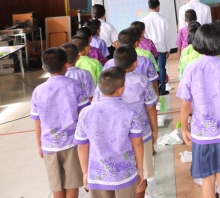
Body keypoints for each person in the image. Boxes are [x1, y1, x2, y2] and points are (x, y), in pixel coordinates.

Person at [177, 24, 220, 198]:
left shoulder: (191, 68)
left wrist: (184, 128)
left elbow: (185, 104)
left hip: (201, 133)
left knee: (207, 181)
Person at [75, 67, 145, 198]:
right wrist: (140, 169)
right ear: (121, 89)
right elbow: (137, 143)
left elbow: (82, 146)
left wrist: (85, 172)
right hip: (125, 174)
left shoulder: (85, 113)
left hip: (97, 175)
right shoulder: (131, 112)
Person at [31, 48, 89, 198]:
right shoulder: (75, 85)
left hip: (49, 144)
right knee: (72, 183)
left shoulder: (38, 91)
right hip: (72, 143)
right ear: (66, 64)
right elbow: (83, 115)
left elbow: (37, 121)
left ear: (43, 68)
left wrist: (39, 145)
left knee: (56, 184)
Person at [101, 45, 158, 198]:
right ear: (135, 63)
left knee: (118, 173)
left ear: (114, 62)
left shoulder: (105, 82)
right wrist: (154, 129)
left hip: (113, 136)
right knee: (141, 173)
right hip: (141, 134)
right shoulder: (142, 81)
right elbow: (151, 107)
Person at [104, 28, 159, 96]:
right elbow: (153, 82)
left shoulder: (108, 63)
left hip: (117, 99)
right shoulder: (145, 61)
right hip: (142, 99)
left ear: (117, 44)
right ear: (136, 43)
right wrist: (156, 98)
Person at [142, 0, 171, 96]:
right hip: (161, 47)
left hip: (149, 49)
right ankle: (162, 89)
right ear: (159, 6)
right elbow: (167, 37)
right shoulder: (163, 19)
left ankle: (153, 90)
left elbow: (144, 37)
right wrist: (168, 49)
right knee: (162, 68)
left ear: (148, 7)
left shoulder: (144, 20)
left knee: (151, 69)